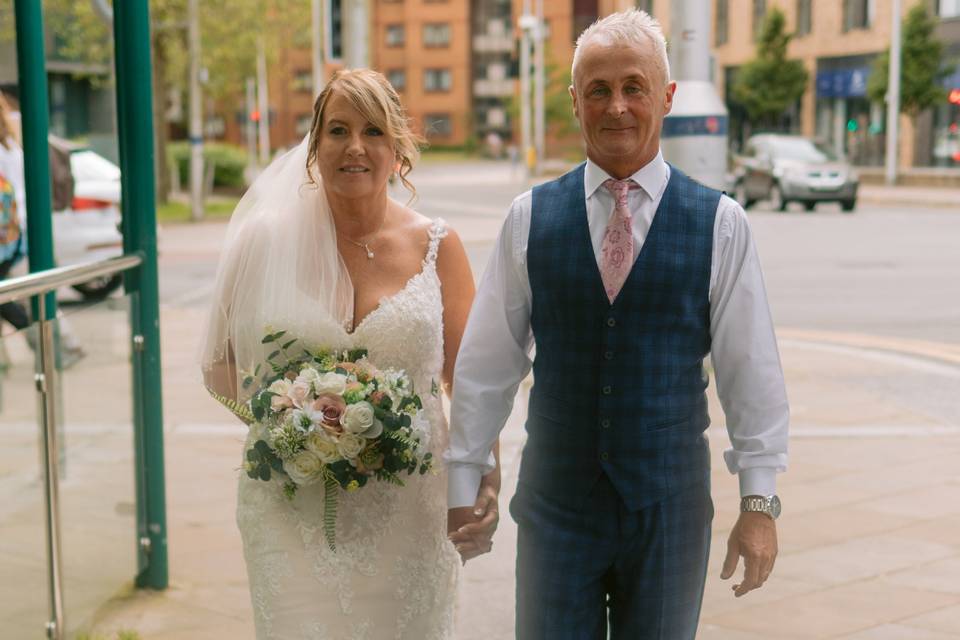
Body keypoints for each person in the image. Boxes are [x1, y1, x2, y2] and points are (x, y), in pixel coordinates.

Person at [446, 9, 789, 639]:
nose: (617, 107)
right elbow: (486, 363)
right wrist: (463, 479)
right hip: (556, 508)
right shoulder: (529, 218)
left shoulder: (720, 223)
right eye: (598, 90)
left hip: (668, 511)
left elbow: (751, 373)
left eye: (634, 87)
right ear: (575, 102)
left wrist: (759, 503)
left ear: (666, 96)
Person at [199, 69, 500, 639]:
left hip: (410, 511)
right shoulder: (263, 241)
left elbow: (470, 379)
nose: (355, 147)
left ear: (398, 149)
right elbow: (219, 367)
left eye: (374, 131)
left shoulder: (439, 247)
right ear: (315, 146)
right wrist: (294, 429)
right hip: (291, 509)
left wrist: (484, 479)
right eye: (338, 130)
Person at [0, 93, 30, 337]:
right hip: (14, 233)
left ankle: (32, 330)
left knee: (4, 293)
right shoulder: (12, 148)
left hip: (5, 234)